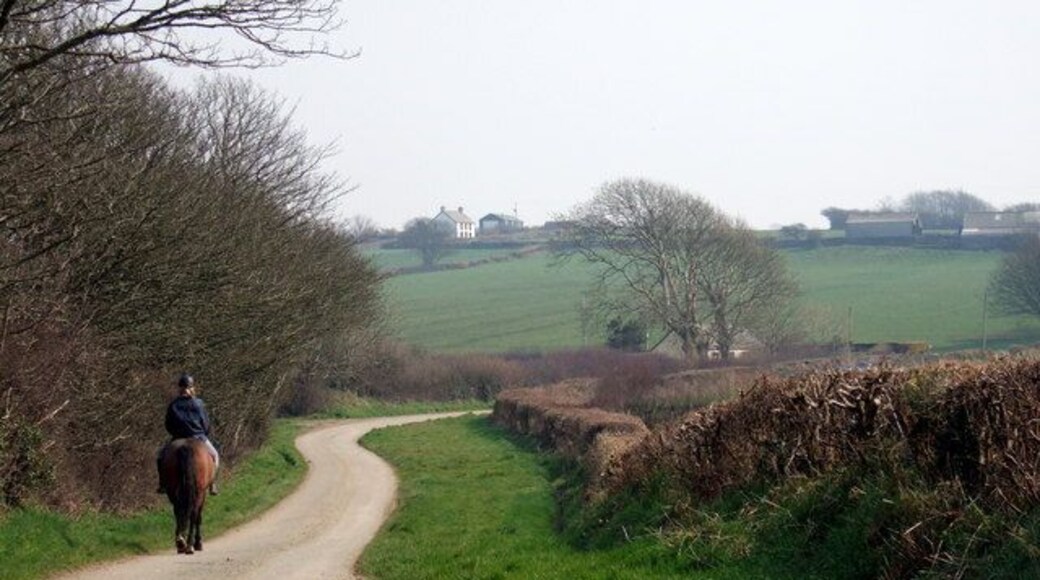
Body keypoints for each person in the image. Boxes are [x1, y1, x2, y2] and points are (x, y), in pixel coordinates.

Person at [156, 373, 220, 495]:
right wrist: (204, 433)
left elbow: (168, 425)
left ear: (180, 388)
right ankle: (212, 483)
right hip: (199, 437)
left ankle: (163, 484)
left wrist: (176, 434)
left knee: (160, 457)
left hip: (178, 438)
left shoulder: (173, 405)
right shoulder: (199, 403)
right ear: (192, 388)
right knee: (215, 456)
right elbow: (206, 423)